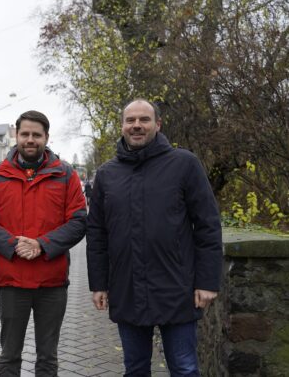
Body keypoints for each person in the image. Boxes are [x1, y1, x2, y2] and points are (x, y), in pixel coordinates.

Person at [86, 99, 222, 376]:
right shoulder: (107, 174)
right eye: (130, 120)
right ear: (122, 126)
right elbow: (97, 233)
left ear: (157, 125)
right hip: (127, 289)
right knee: (135, 368)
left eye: (144, 120)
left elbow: (208, 226)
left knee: (184, 368)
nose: (137, 125)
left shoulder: (185, 164)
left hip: (177, 288)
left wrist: (207, 281)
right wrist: (98, 284)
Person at [0, 110, 87, 376]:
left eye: (37, 135)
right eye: (25, 134)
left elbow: (79, 221)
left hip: (52, 283)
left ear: (47, 137)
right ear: (16, 135)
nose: (30, 139)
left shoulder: (65, 175)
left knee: (48, 358)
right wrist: (14, 244)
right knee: (9, 357)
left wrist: (42, 245)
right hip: (12, 282)